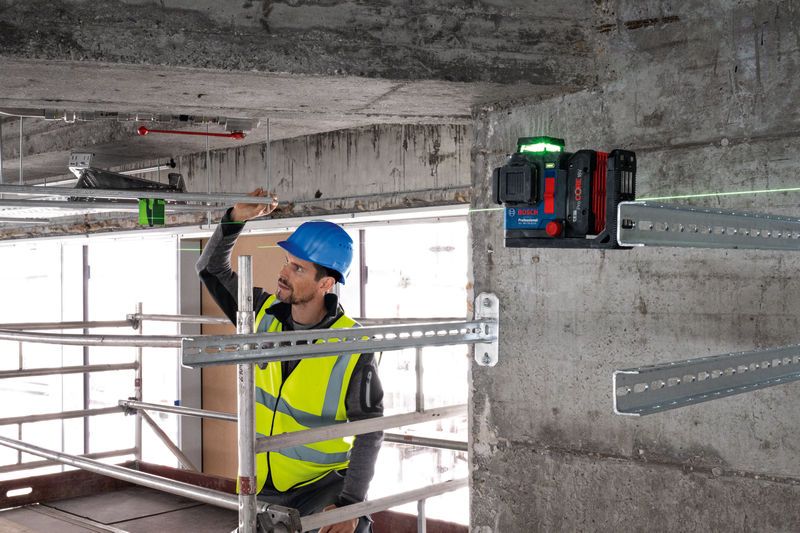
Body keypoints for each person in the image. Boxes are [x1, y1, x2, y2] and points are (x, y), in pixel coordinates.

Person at [196, 188, 384, 533]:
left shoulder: (354, 345)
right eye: (287, 260)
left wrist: (351, 504)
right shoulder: (261, 313)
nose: (284, 272)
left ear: (325, 283)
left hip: (321, 486)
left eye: (298, 267)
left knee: (351, 529)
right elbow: (209, 268)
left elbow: (369, 432)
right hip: (261, 484)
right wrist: (234, 220)